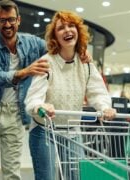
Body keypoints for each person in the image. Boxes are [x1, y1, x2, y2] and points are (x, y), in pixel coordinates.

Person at [24, 10, 117, 180]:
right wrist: (40, 106)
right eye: (61, 28)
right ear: (55, 37)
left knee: (76, 176)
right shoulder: (46, 62)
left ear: (78, 32)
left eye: (71, 26)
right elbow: (32, 99)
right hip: (44, 131)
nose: (67, 30)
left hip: (72, 131)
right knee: (47, 177)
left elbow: (97, 92)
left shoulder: (86, 64)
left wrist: (105, 107)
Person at [0, 1, 49, 179]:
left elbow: (54, 48)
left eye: (11, 19)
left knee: (12, 172)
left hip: (16, 114)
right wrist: (25, 72)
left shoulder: (32, 43)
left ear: (19, 20)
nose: (7, 24)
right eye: (2, 20)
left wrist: (81, 51)